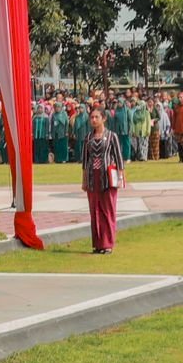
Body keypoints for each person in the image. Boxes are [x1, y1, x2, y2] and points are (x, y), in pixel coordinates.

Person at [80, 107, 125, 254]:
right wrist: (84, 181)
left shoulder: (112, 136)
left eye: (96, 117)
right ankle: (97, 244)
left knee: (108, 210)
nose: (94, 120)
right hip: (93, 178)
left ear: (103, 118)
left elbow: (118, 159)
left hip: (108, 178)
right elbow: (85, 162)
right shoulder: (88, 138)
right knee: (95, 211)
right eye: (91, 117)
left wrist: (120, 178)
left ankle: (107, 243)